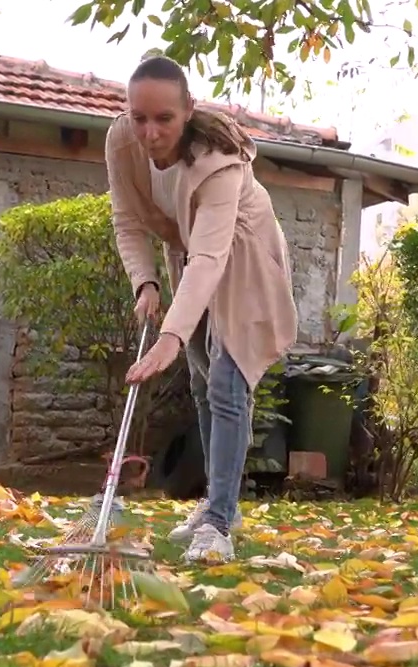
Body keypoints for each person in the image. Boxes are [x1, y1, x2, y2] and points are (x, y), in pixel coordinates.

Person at [105, 54, 299, 564]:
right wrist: (144, 283)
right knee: (200, 382)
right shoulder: (120, 141)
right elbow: (127, 219)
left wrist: (170, 336)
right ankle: (219, 503)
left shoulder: (219, 161)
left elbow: (214, 255)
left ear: (187, 109)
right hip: (193, 256)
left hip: (243, 256)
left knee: (226, 383)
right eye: (139, 117)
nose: (149, 132)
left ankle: (220, 522)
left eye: (163, 118)